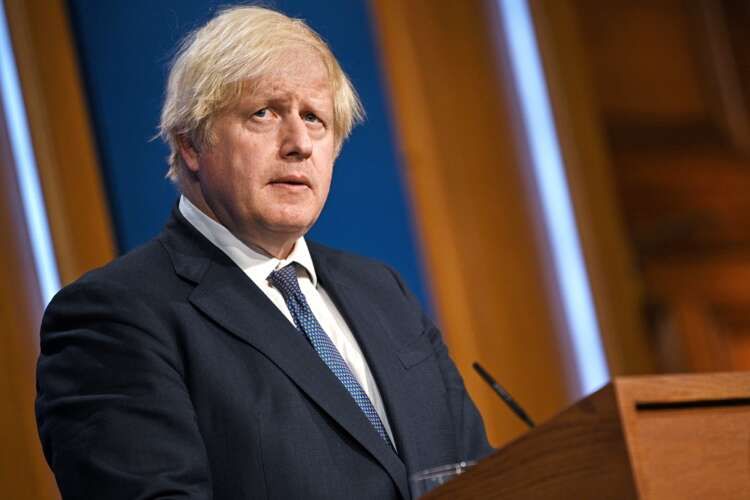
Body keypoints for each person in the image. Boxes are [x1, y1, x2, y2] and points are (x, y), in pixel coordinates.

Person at [36, 6, 492, 499]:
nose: (299, 144)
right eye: (264, 113)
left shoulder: (383, 291)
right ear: (192, 144)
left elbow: (481, 476)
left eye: (314, 118)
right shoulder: (113, 317)